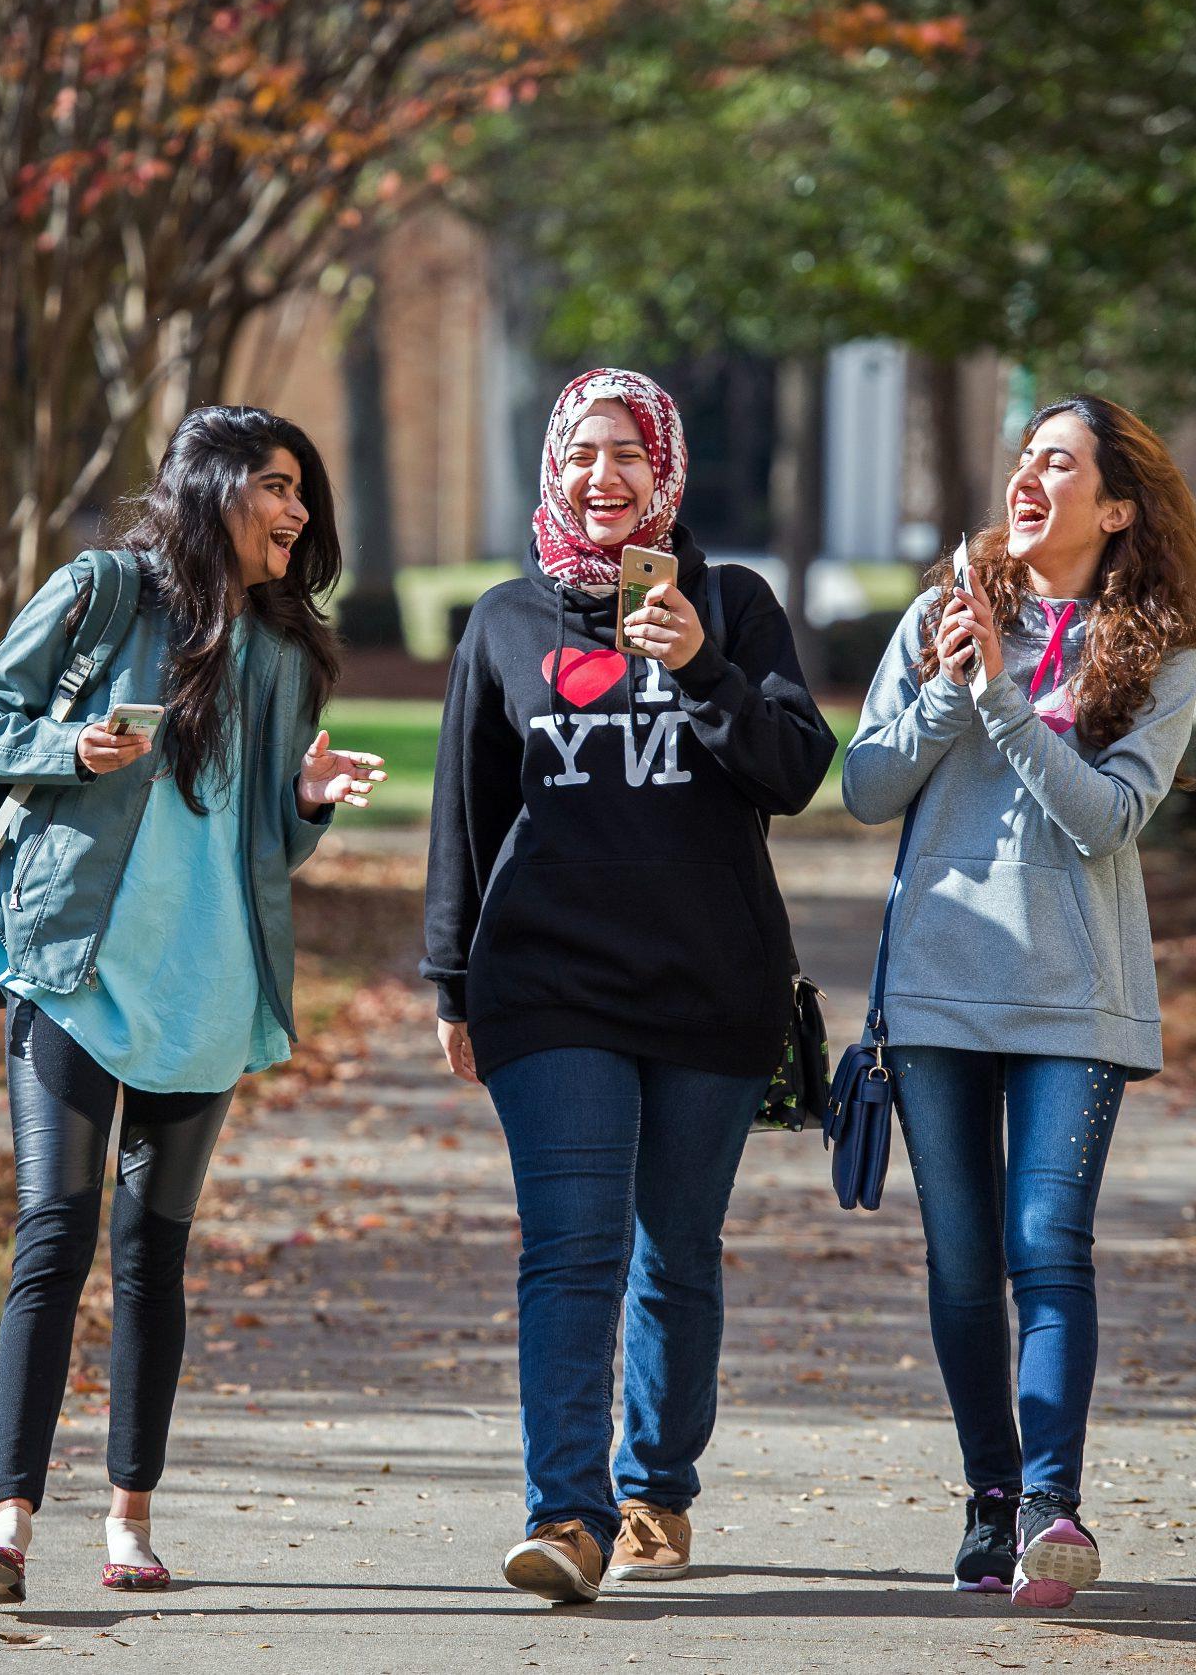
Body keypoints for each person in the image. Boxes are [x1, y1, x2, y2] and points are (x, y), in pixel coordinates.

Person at [0, 406, 387, 1604]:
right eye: (279, 487)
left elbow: (263, 849)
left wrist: (307, 794)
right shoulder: (103, 593)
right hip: (76, 965)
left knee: (153, 1256)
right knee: (55, 1236)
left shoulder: (288, 650)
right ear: (215, 489)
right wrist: (63, 744)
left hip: (206, 982)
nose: (298, 512)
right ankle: (6, 1523)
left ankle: (128, 1524)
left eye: (306, 492)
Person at [422, 367, 837, 1604]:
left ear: (664, 468)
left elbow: (793, 772)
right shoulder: (504, 620)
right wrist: (452, 983)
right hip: (548, 987)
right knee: (569, 1248)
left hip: (711, 987)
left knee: (677, 1251)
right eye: (583, 454)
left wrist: (705, 666)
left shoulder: (735, 605)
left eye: (628, 455)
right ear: (554, 467)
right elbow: (467, 813)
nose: (604, 477)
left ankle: (656, 1484)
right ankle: (566, 1515)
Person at [841, 394, 1196, 1608]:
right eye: (1023, 457)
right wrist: (958, 679)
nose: (1029, 476)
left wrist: (1004, 699)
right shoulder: (939, 615)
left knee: (1045, 1249)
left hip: (1074, 995)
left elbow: (1109, 817)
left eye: (1058, 462)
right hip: (940, 990)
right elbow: (861, 786)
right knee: (961, 1266)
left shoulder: (1158, 648)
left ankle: (1055, 1509)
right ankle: (989, 1504)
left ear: (1113, 508)